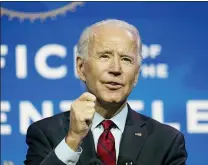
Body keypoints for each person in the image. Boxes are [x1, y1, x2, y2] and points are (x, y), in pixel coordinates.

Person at [24, 19, 187, 165]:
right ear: (81, 68)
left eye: (126, 59)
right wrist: (72, 140)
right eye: (104, 56)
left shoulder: (166, 141)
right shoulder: (45, 134)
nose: (116, 69)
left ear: (136, 74)